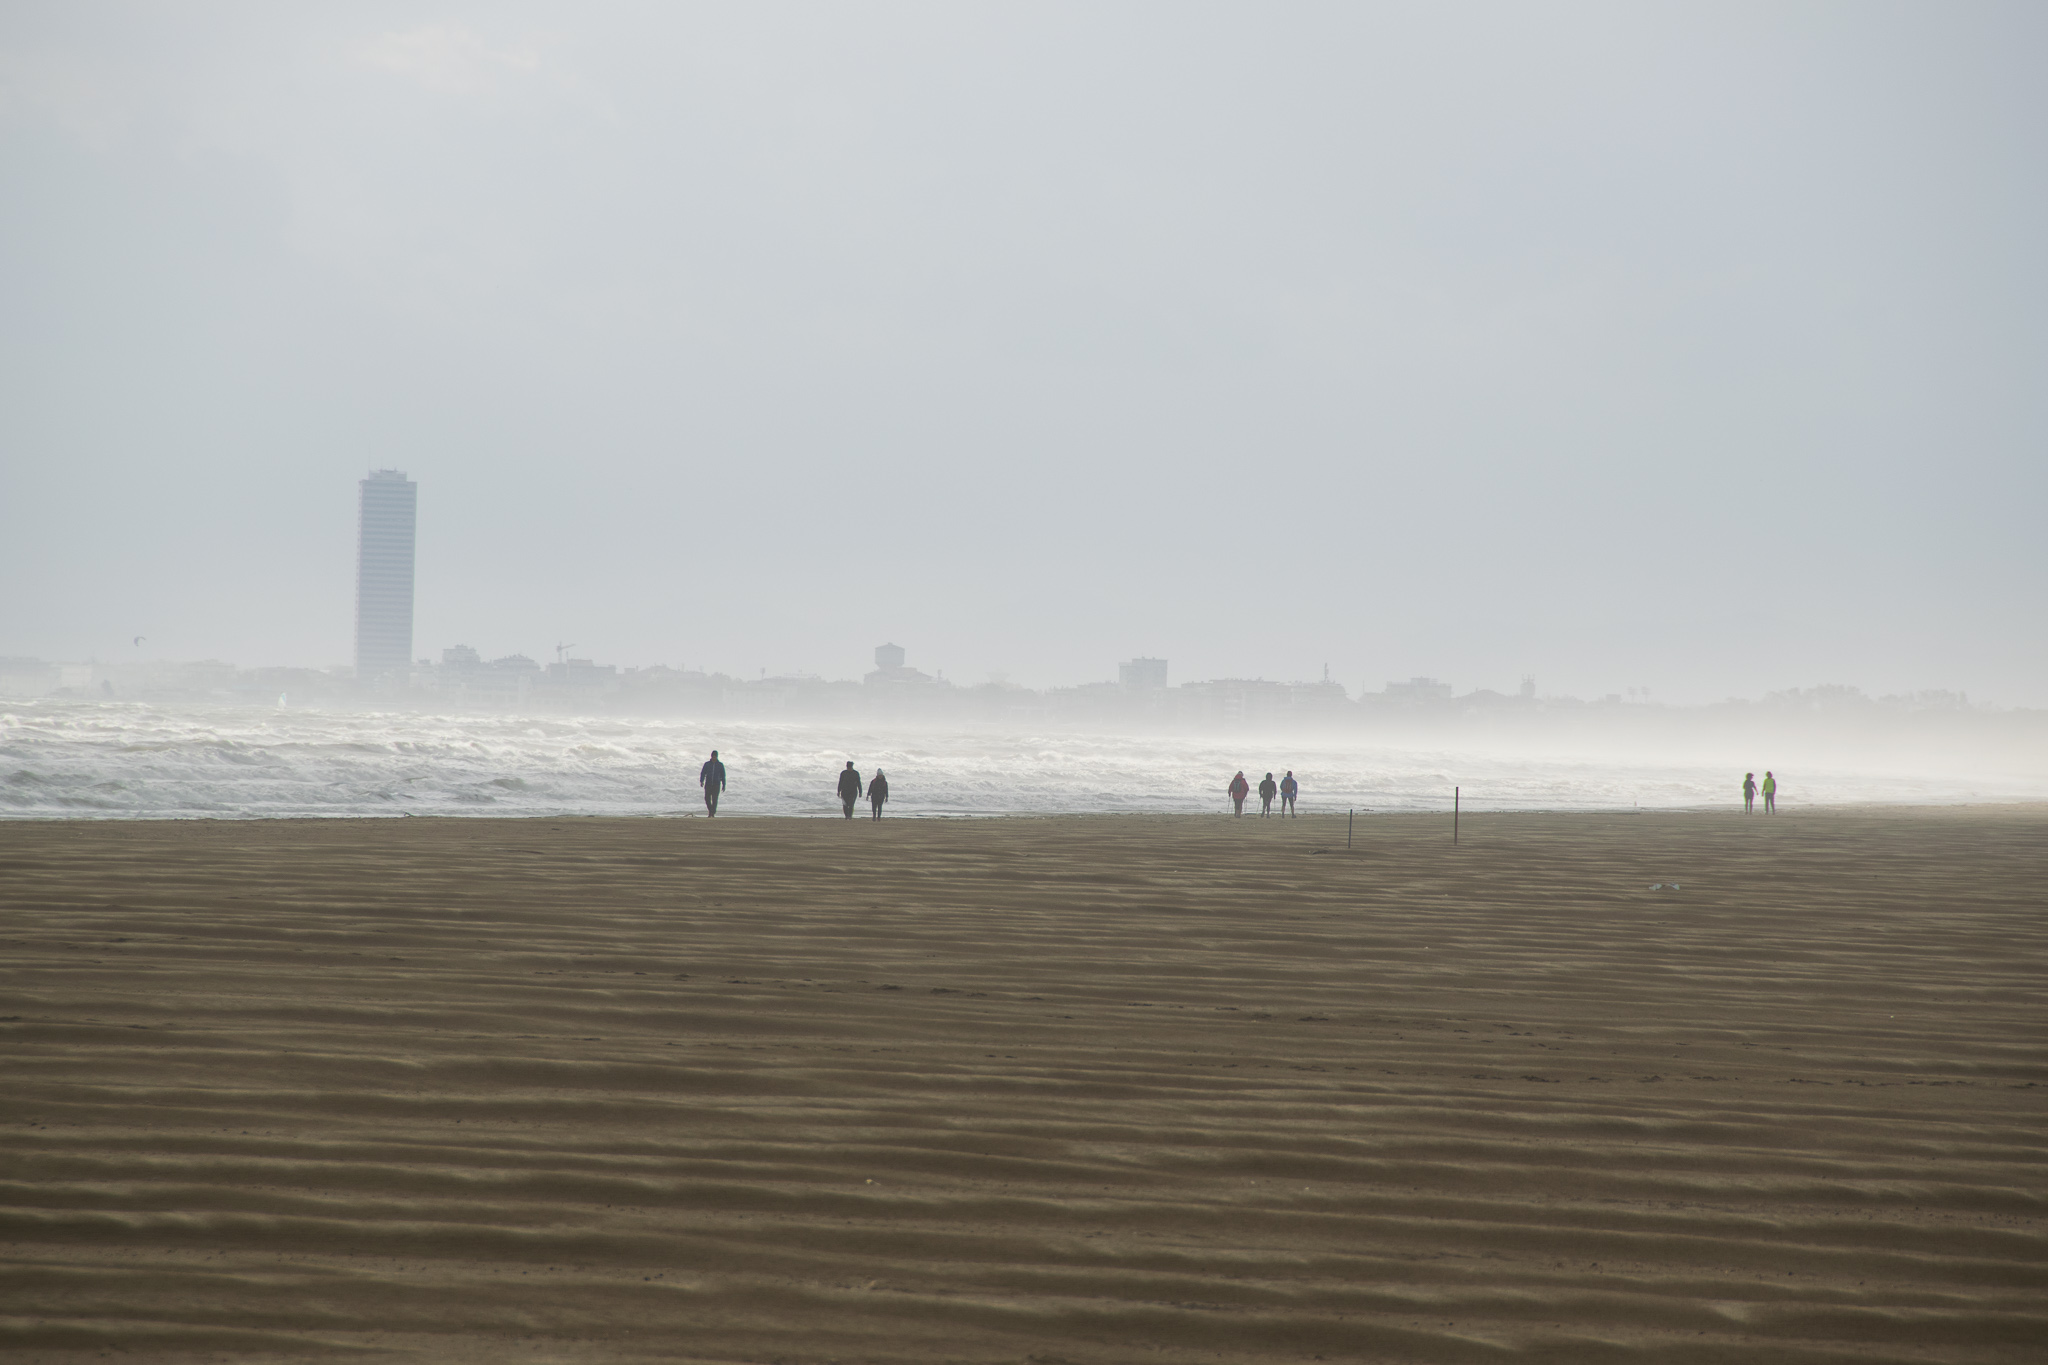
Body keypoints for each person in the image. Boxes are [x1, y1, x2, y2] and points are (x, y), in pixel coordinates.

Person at [700, 749, 727, 816]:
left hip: (716, 784)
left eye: (715, 757)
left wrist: (724, 785)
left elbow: (723, 775)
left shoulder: (720, 765)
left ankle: (712, 813)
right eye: (713, 757)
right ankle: (711, 811)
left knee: (714, 799)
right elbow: (703, 773)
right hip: (708, 784)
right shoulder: (707, 764)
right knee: (707, 798)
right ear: (711, 756)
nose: (714, 758)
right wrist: (701, 781)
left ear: (717, 757)